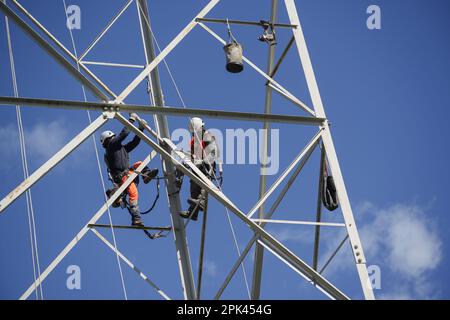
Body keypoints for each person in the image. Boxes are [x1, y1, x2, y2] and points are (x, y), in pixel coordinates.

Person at [100, 113, 158, 226]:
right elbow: (124, 134)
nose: (114, 139)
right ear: (108, 140)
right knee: (133, 193)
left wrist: (141, 128)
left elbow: (134, 142)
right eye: (112, 138)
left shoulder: (120, 149)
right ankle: (136, 217)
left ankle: (146, 175)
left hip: (127, 174)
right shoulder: (111, 147)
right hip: (122, 178)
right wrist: (131, 120)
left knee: (140, 164)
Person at [179, 117, 222, 221]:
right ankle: (193, 212)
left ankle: (201, 202)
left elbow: (214, 152)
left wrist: (205, 160)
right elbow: (192, 155)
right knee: (194, 187)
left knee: (204, 184)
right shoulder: (194, 141)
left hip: (207, 166)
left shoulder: (207, 136)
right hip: (197, 166)